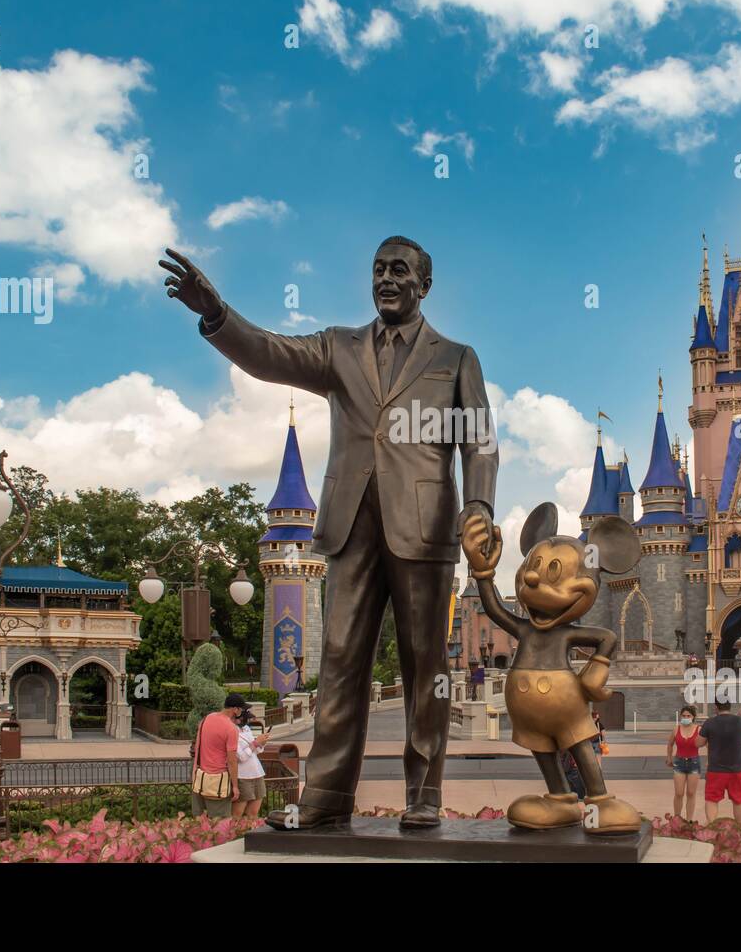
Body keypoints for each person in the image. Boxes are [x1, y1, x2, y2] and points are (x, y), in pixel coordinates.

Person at [162, 237, 498, 831]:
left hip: (425, 528)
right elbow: (270, 354)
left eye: (400, 271)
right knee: (341, 658)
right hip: (349, 527)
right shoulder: (338, 347)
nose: (386, 280)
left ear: (424, 284)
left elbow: (480, 443)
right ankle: (326, 794)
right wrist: (217, 314)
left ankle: (424, 791)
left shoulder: (456, 357)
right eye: (378, 270)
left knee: (427, 664)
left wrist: (478, 506)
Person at [698, 699, 741, 823]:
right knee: (739, 799)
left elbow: (698, 743)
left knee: (712, 799)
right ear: (730, 706)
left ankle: (711, 826)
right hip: (737, 769)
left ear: (716, 707)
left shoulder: (710, 722)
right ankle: (740, 828)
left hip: (716, 769)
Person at [190, 695, 242, 819]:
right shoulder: (231, 729)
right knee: (220, 826)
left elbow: (198, 746)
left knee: (198, 823)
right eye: (241, 709)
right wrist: (235, 786)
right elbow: (231, 761)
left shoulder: (207, 718)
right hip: (218, 783)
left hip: (199, 779)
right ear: (235, 709)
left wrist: (194, 773)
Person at [232, 704, 272, 819]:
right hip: (243, 776)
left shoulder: (246, 728)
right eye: (246, 718)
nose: (248, 720)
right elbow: (241, 757)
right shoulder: (231, 731)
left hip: (257, 773)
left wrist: (261, 742)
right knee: (237, 814)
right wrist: (255, 743)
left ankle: (250, 835)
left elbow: (257, 750)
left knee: (253, 813)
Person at [665, 705, 701, 821]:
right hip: (679, 762)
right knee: (679, 793)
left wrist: (710, 761)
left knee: (691, 793)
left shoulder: (699, 729)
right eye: (684, 715)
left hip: (694, 762)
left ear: (693, 717)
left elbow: (708, 744)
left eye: (688, 716)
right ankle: (677, 818)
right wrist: (669, 757)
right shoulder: (676, 729)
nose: (686, 717)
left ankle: (689, 820)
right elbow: (670, 744)